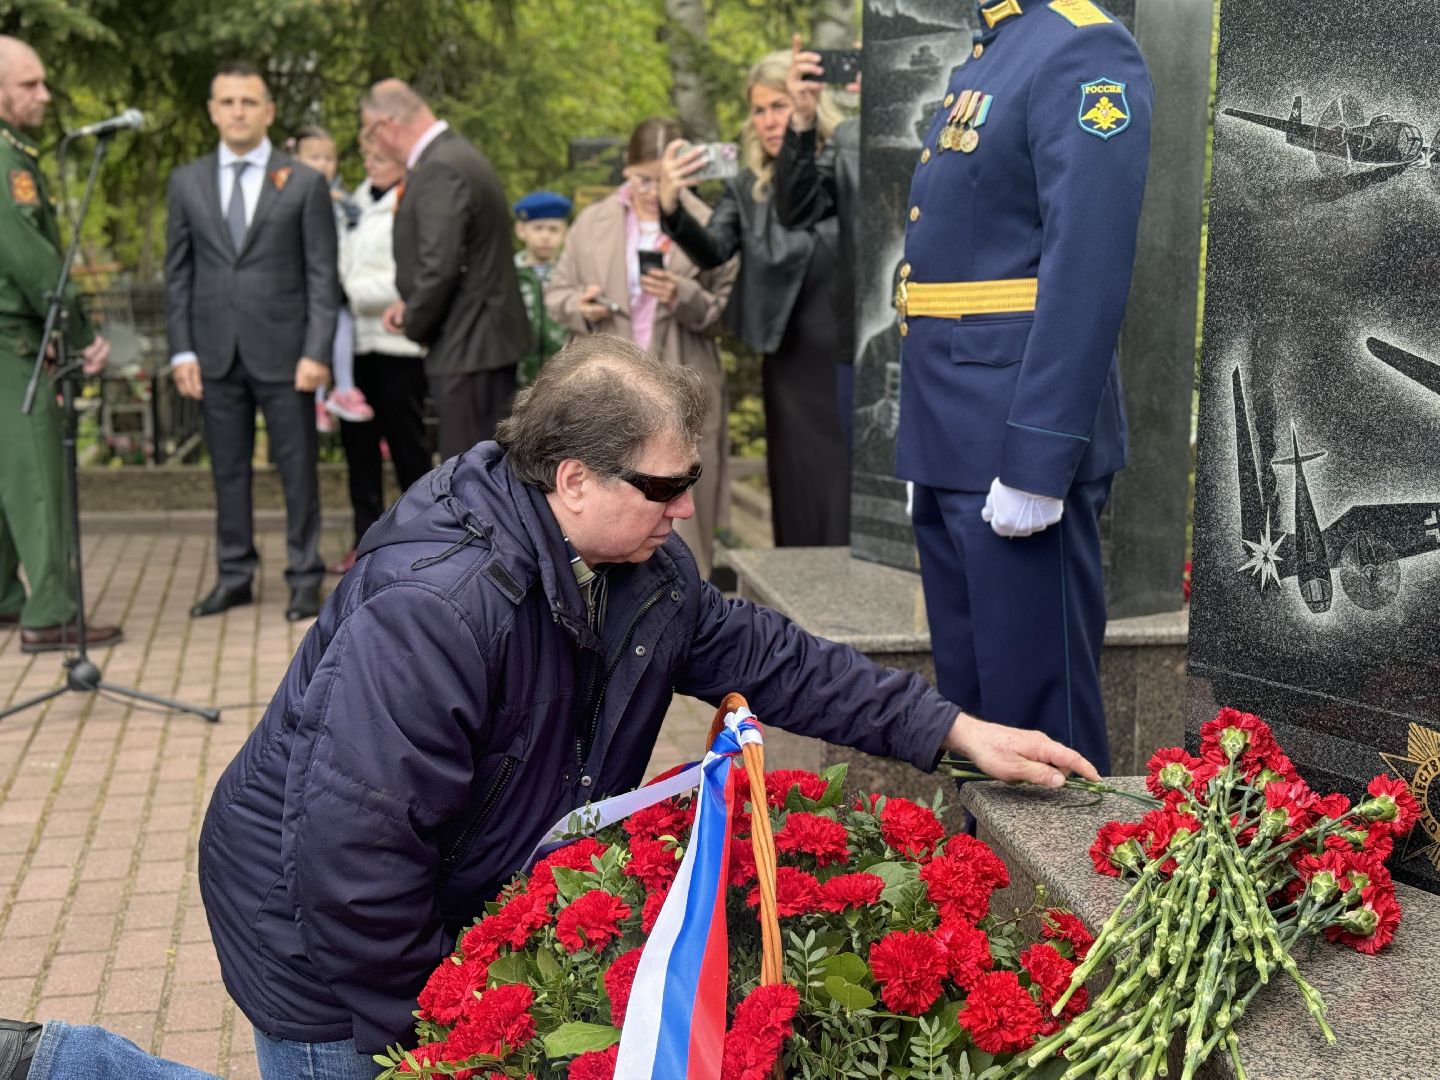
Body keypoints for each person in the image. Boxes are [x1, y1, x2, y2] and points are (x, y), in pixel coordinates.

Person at [187, 336, 1097, 1076]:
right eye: (664, 487)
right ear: (573, 480)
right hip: (321, 951)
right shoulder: (434, 610)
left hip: (430, 898)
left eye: (689, 479)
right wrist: (438, 1035)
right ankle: (70, 1060)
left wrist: (954, 731)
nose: (686, 507)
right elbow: (353, 856)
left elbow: (775, 659)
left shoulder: (640, 567)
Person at [897, 0, 1153, 775]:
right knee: (974, 720)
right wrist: (925, 450)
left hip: (1015, 432)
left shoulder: (1084, 49)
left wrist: (1039, 459)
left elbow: (1087, 267)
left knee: (1041, 723)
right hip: (952, 431)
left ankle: (1050, 897)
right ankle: (980, 888)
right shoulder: (996, 47)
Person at [165, 61, 340, 623]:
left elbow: (321, 274)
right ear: (212, 111)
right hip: (214, 351)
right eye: (227, 102)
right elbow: (179, 274)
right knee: (227, 471)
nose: (237, 111)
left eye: (248, 102)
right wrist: (182, 349)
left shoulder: (303, 182)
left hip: (288, 355)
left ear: (267, 112)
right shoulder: (186, 181)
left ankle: (303, 576)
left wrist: (317, 350)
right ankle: (234, 575)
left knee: (297, 468)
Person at [658, 51, 851, 548]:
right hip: (789, 355)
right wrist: (672, 207)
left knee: (848, 475)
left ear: (808, 102)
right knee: (797, 477)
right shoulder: (747, 187)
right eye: (759, 109)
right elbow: (714, 249)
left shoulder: (842, 164)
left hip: (849, 350)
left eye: (779, 105)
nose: (768, 120)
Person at [546, 117, 737, 579]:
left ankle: (686, 612)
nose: (650, 190)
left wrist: (681, 295)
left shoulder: (713, 225)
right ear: (627, 171)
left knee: (680, 508)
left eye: (662, 180)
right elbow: (556, 292)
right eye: (640, 179)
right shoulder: (593, 222)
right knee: (603, 501)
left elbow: (729, 314)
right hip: (605, 389)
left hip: (684, 382)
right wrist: (581, 304)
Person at [0, 35, 122, 653]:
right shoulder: (7, 162)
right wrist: (77, 332)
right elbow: (32, 259)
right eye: (29, 84)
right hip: (12, 345)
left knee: (6, 477)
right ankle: (49, 614)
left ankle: (5, 597)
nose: (44, 95)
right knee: (40, 478)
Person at [360, 79, 529, 460]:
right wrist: (411, 304)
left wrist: (415, 324)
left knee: (470, 479)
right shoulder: (453, 155)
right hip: (477, 342)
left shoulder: (441, 167)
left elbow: (441, 266)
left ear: (386, 125)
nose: (373, 145)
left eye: (370, 133)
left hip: (470, 347)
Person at [332, 137, 431, 575]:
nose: (373, 165)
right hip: (352, 347)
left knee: (408, 449)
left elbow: (404, 279)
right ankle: (364, 544)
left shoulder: (410, 204)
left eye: (383, 158)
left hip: (397, 346)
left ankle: (424, 539)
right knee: (360, 453)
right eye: (367, 157)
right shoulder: (349, 205)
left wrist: (342, 295)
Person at [774, 34, 862, 448]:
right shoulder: (848, 139)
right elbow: (797, 209)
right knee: (864, 471)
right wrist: (803, 120)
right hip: (858, 335)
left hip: (932, 327)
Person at [288, 125, 373, 435]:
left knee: (342, 327)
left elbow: (357, 222)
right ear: (295, 159)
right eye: (314, 157)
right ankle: (320, 398)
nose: (323, 164)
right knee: (316, 338)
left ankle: (343, 390)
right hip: (305, 284)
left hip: (337, 279)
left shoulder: (339, 195)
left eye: (328, 158)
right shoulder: (288, 194)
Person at [512, 189, 572, 385]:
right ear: (521, 231)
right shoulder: (509, 273)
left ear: (565, 233)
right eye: (538, 228)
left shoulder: (571, 274)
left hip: (562, 374)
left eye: (553, 229)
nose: (545, 236)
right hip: (516, 374)